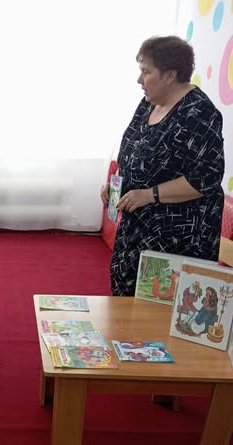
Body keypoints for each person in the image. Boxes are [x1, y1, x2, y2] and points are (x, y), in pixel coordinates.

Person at [101, 36, 225, 297]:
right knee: (126, 305)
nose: (139, 79)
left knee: (155, 311)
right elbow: (134, 151)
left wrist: (150, 195)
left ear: (170, 75)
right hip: (136, 232)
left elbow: (205, 179)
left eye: (146, 72)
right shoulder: (148, 103)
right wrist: (116, 186)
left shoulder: (199, 112)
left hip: (175, 241)